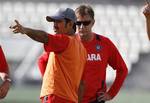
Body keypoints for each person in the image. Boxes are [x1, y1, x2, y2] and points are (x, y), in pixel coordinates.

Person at [38, 5, 128, 103]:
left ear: (93, 23)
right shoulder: (67, 42)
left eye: (86, 23)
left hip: (95, 99)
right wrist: (50, 85)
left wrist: (111, 93)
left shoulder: (105, 44)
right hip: (70, 99)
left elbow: (122, 69)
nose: (81, 27)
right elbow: (42, 61)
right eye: (78, 23)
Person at [10, 8, 87, 103]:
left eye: (58, 21)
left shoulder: (64, 40)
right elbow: (82, 84)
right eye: (53, 21)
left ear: (70, 24)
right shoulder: (82, 50)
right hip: (71, 99)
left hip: (56, 97)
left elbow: (45, 37)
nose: (54, 25)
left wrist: (26, 30)